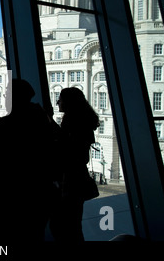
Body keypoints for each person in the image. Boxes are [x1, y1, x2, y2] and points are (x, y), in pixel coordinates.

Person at [0, 79, 56, 241]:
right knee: (36, 233)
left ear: (14, 97)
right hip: (40, 190)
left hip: (13, 193)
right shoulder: (43, 121)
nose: (4, 95)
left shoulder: (4, 125)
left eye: (7, 93)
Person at [49, 87, 100, 242]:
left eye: (60, 99)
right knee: (72, 225)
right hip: (76, 178)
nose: (58, 102)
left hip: (70, 179)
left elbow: (67, 147)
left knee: (63, 225)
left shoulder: (72, 122)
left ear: (69, 102)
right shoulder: (81, 121)